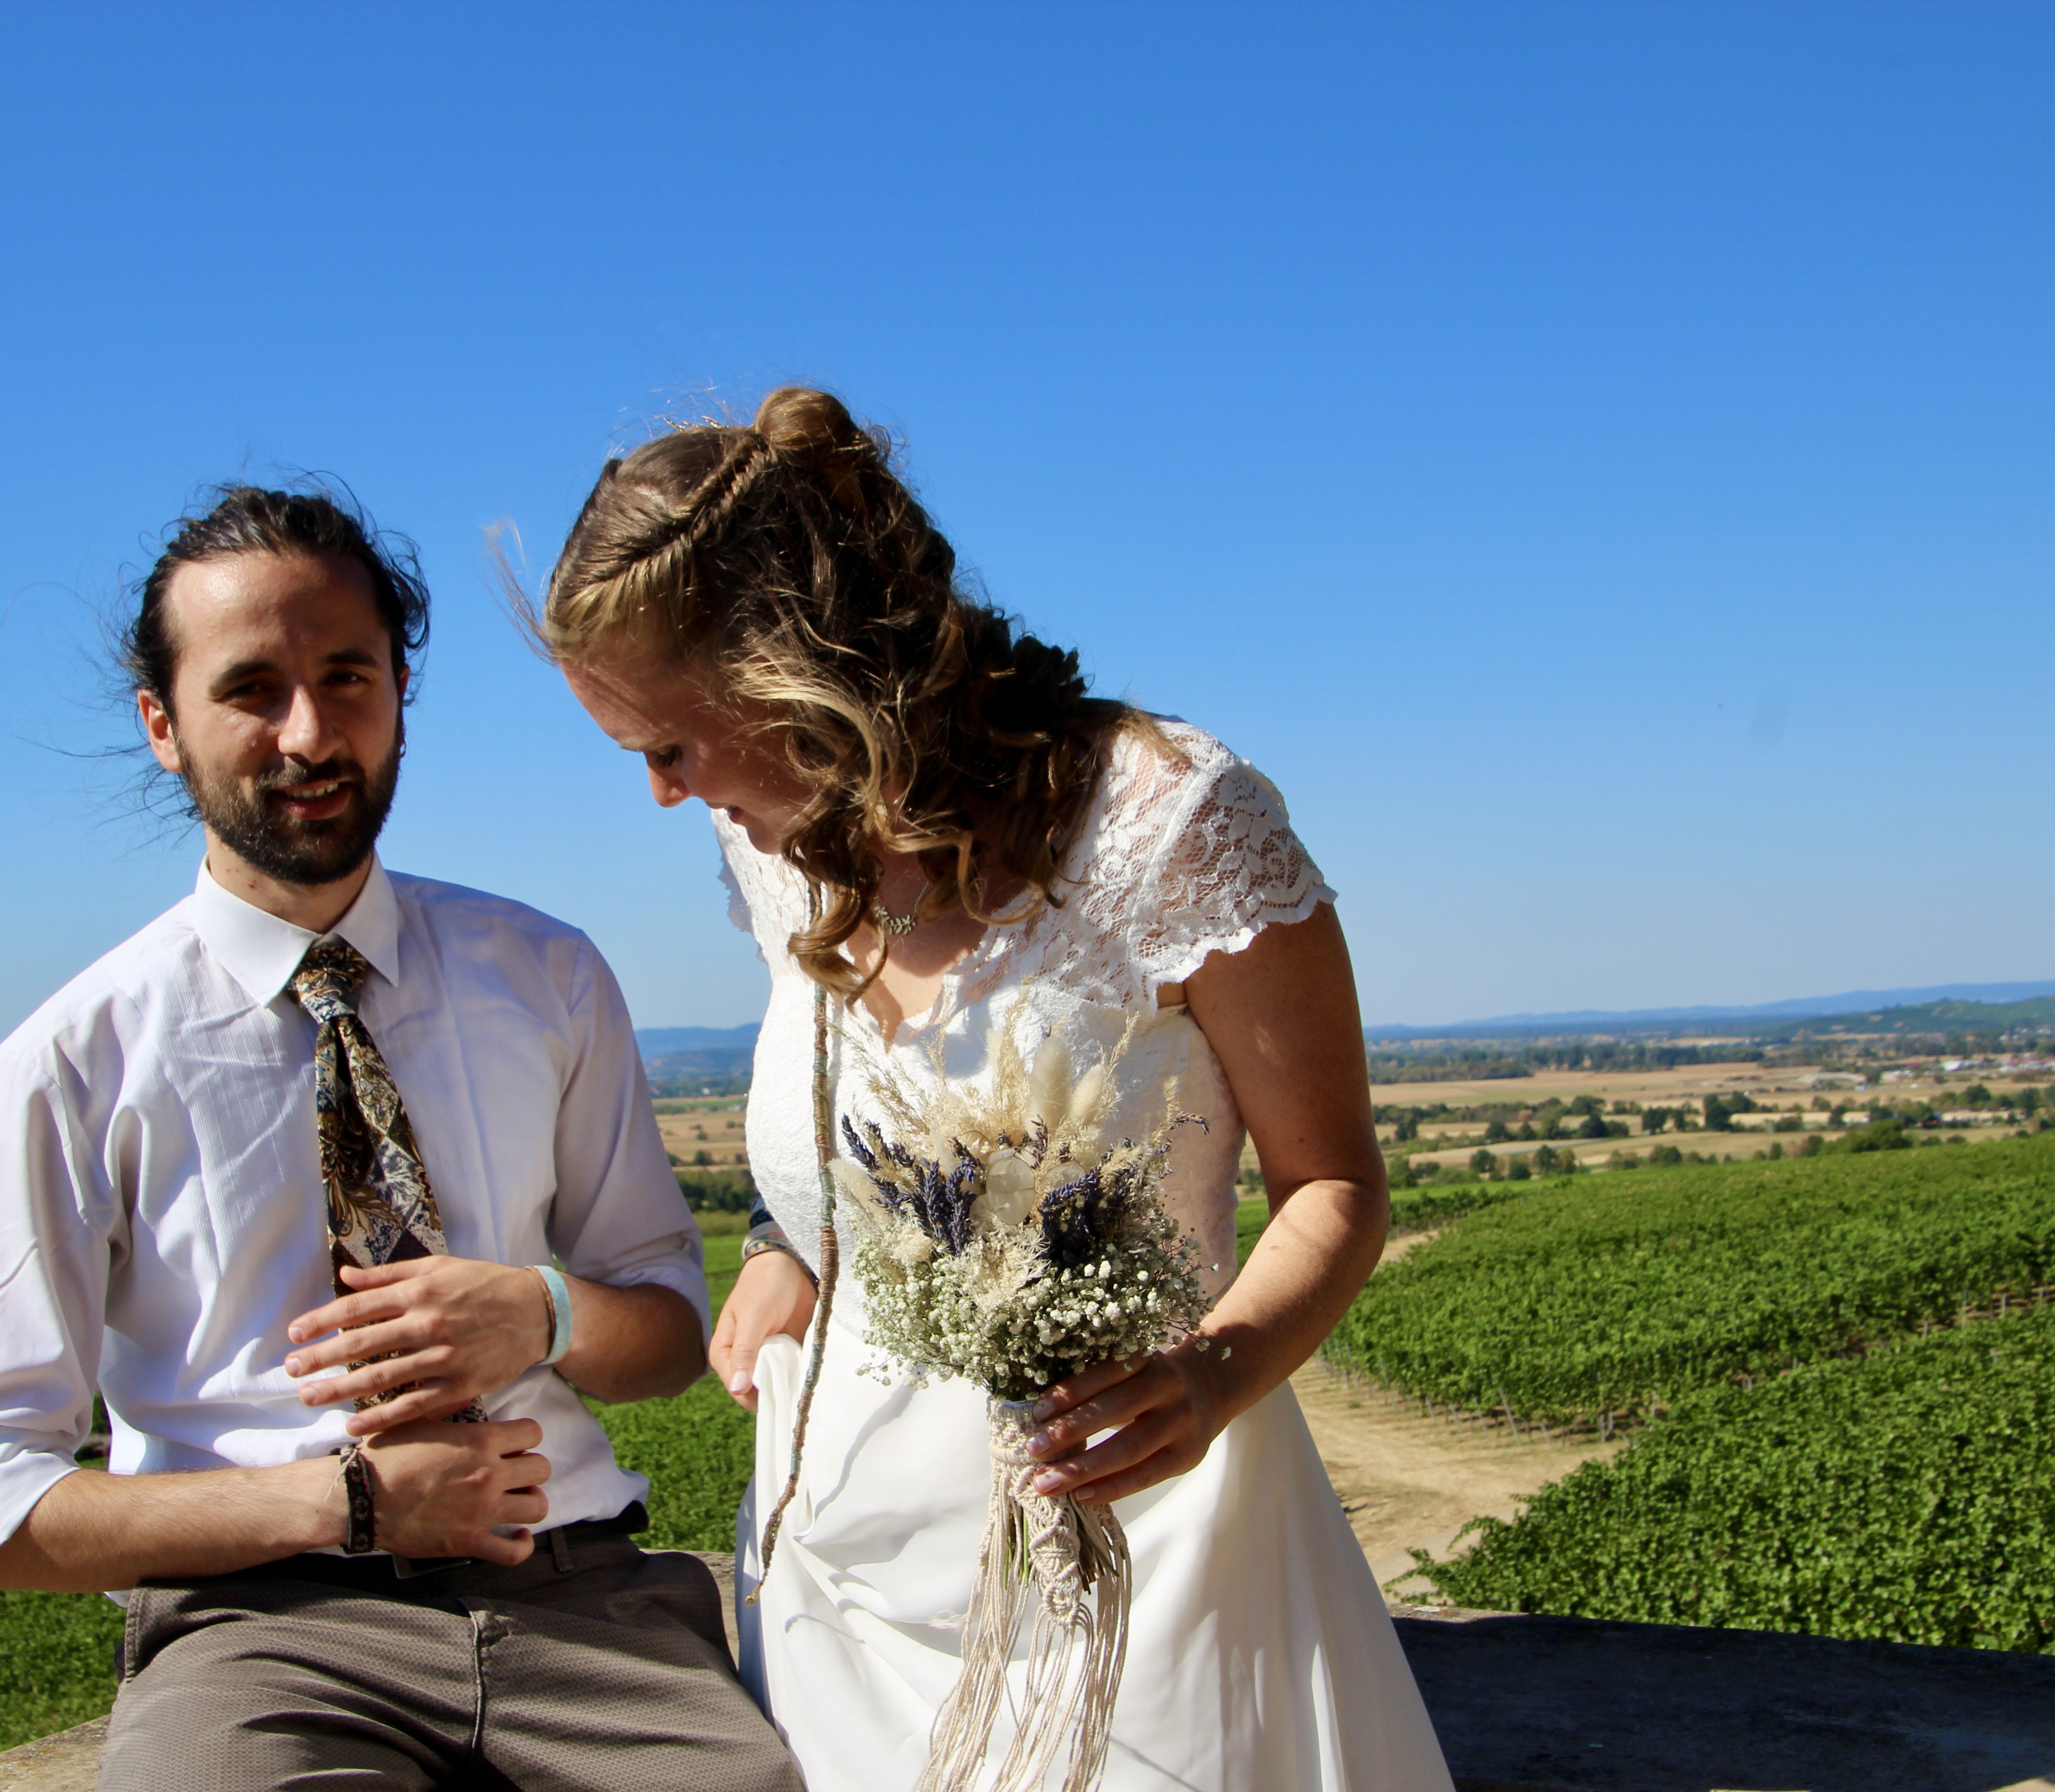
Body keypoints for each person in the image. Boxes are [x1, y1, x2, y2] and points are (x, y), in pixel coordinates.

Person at [542, 393, 1455, 1790]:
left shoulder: (1172, 820)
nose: (665, 793)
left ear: (794, 674)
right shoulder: (772, 846)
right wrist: (792, 1247)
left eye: (669, 745)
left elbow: (1334, 1182)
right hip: (834, 1584)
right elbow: (868, 1125)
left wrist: (1211, 1377)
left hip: (1147, 1570)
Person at [0, 486, 803, 1792]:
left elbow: (669, 1338)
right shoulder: (70, 1064)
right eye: (251, 689)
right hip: (261, 1634)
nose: (311, 733)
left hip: (583, 1603)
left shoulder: (547, 974)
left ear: (400, 690)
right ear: (162, 725)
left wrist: (542, 1313)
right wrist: (344, 1503)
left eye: (348, 678)